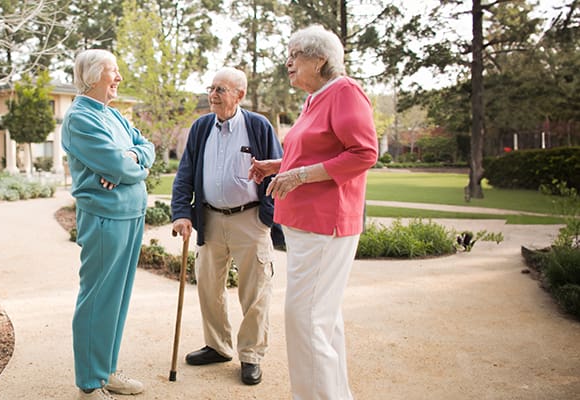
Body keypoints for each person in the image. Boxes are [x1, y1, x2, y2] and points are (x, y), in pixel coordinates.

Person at [248, 25, 378, 400]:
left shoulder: (345, 92)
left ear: (320, 59)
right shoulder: (315, 98)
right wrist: (279, 165)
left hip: (327, 225)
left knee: (306, 321)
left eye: (296, 54)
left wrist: (300, 175)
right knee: (322, 320)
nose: (287, 61)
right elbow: (318, 150)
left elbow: (363, 153)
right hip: (306, 226)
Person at [171, 67, 283, 385]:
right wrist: (182, 212)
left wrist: (267, 218)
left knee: (256, 291)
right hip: (211, 217)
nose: (213, 95)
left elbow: (276, 171)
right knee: (208, 285)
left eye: (221, 89)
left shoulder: (258, 126)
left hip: (250, 219)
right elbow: (186, 173)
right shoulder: (202, 127)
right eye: (211, 89)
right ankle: (217, 346)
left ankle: (250, 356)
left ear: (239, 95)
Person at [61, 49, 155, 400]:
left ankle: (107, 369)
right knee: (98, 298)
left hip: (131, 215)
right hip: (104, 218)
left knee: (117, 299)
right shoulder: (79, 118)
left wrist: (134, 158)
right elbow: (117, 166)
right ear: (93, 76)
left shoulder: (113, 115)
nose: (118, 78)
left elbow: (147, 148)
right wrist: (131, 166)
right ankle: (89, 382)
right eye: (112, 72)